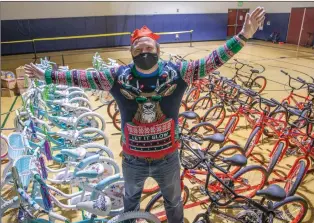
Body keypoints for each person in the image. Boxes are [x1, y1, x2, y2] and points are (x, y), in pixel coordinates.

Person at [25, 6, 265, 223]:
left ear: (158, 50)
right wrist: (48, 76)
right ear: (131, 52)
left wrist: (242, 36)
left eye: (148, 47)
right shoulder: (116, 76)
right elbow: (81, 78)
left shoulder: (178, 73)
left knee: (173, 202)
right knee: (130, 202)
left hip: (168, 158)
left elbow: (212, 61)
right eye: (138, 49)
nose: (144, 51)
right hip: (133, 161)